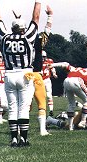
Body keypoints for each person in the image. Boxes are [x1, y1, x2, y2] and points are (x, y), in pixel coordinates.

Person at [0, 0, 41, 147]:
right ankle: (24, 139)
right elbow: (36, 18)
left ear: (12, 28)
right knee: (23, 108)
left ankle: (14, 138)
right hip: (25, 74)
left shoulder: (5, 37)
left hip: (9, 75)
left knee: (13, 107)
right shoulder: (28, 37)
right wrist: (37, 2)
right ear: (23, 28)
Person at [48, 62, 87, 130]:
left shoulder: (78, 69)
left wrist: (53, 65)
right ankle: (83, 122)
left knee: (71, 104)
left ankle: (70, 126)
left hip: (66, 80)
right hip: (77, 81)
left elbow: (65, 64)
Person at [32, 5, 53, 136]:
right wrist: (50, 15)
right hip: (35, 74)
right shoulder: (38, 42)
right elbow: (47, 30)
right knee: (41, 102)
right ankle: (42, 130)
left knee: (22, 104)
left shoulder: (17, 41)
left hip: (20, 74)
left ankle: (17, 129)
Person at [41, 50, 57, 116]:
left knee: (49, 95)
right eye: (42, 57)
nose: (43, 58)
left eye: (44, 57)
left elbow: (52, 69)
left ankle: (51, 110)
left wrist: (54, 74)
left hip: (47, 79)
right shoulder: (36, 61)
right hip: (39, 80)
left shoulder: (49, 61)